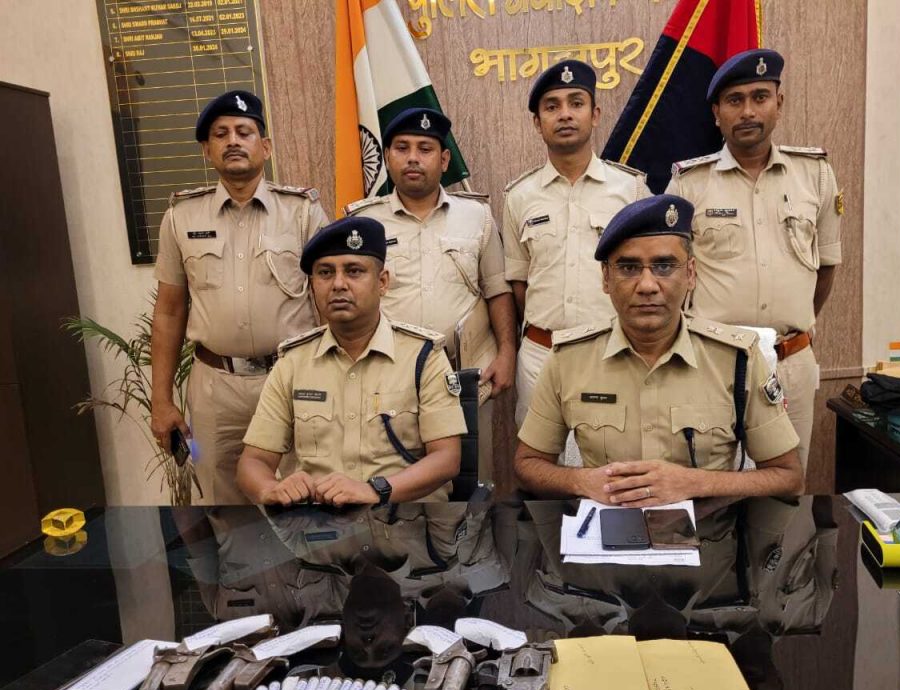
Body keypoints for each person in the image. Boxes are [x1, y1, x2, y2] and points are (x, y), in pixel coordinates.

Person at [514, 195, 803, 505]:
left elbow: (789, 477)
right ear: (606, 278)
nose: (647, 285)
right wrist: (582, 481)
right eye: (629, 268)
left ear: (690, 274)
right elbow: (528, 464)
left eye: (664, 266)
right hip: (607, 528)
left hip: (708, 531)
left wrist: (694, 483)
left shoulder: (737, 359)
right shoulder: (569, 359)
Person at [666, 49, 843, 472]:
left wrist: (796, 324)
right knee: (709, 483)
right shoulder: (689, 183)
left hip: (790, 361)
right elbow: (669, 271)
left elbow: (826, 266)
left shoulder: (815, 174)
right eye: (734, 100)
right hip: (713, 363)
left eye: (759, 97)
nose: (747, 111)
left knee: (785, 486)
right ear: (716, 113)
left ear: (778, 103)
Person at [151, 90, 330, 503]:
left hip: (292, 378)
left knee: (305, 493)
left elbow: (329, 303)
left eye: (244, 132)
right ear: (206, 150)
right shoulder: (180, 217)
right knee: (219, 496)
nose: (233, 140)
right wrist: (161, 400)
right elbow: (169, 311)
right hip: (214, 388)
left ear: (265, 147)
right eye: (221, 134)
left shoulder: (303, 212)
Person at [237, 217, 467, 506]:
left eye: (354, 271)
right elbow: (253, 461)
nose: (338, 284)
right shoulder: (293, 363)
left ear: (382, 282)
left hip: (405, 520)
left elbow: (446, 458)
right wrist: (270, 489)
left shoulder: (423, 356)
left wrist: (375, 491)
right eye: (325, 273)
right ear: (312, 286)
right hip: (321, 524)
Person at [344, 108, 516, 479]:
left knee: (473, 485)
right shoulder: (362, 223)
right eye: (402, 148)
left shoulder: (476, 216)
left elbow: (497, 289)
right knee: (395, 481)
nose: (413, 158)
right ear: (386, 156)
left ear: (444, 159)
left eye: (425, 149)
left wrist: (506, 353)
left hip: (466, 377)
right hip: (390, 379)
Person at [503, 59, 651, 427]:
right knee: (538, 457)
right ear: (538, 122)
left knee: (613, 453)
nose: (565, 114)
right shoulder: (519, 196)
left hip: (612, 352)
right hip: (540, 356)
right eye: (552, 106)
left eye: (576, 103)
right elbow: (519, 284)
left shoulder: (630, 190)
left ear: (595, 114)